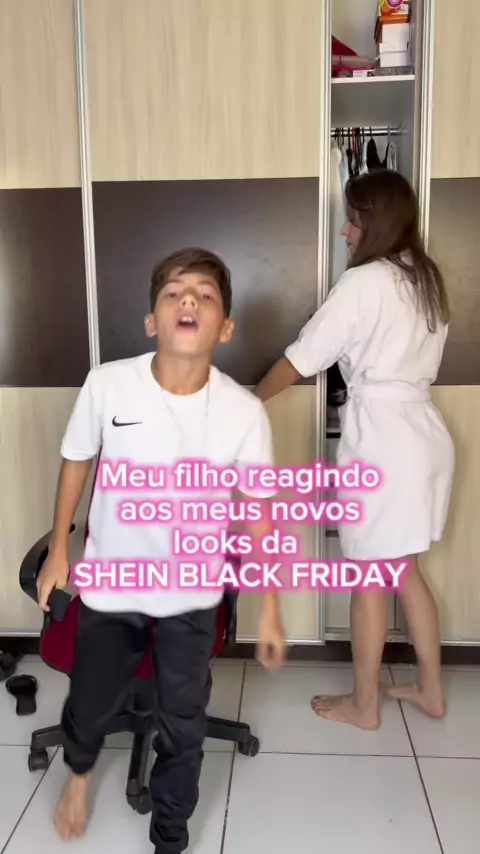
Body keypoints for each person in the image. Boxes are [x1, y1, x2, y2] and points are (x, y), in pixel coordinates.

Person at [37, 247, 286, 851]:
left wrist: (272, 607)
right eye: (174, 292)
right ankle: (78, 772)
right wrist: (59, 548)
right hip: (112, 583)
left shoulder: (243, 413)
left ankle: (169, 837)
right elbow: (76, 459)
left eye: (205, 293)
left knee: (184, 724)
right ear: (152, 320)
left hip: (192, 595)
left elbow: (258, 507)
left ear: (224, 328)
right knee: (90, 701)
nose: (188, 299)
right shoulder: (108, 384)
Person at [254, 170, 454, 731]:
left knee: (368, 579)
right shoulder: (424, 279)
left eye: (353, 220)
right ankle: (431, 690)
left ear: (377, 222)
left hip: (385, 445)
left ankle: (365, 706)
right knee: (405, 570)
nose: (345, 230)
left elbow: (301, 359)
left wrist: (247, 403)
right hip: (424, 437)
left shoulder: (364, 282)